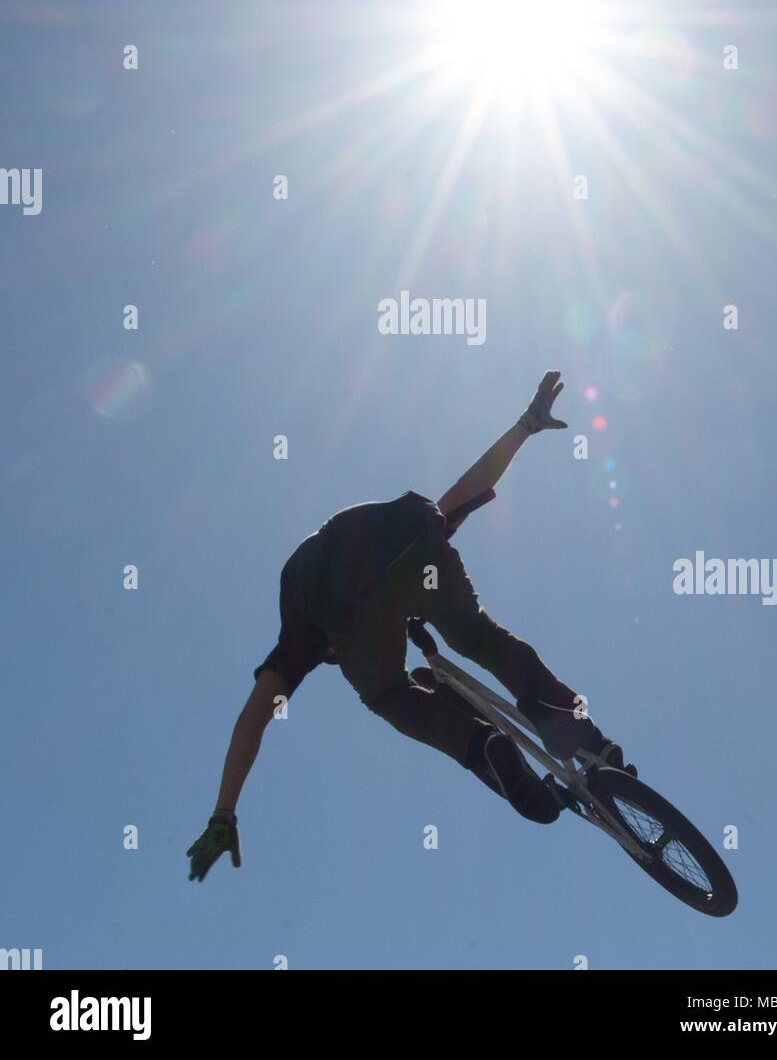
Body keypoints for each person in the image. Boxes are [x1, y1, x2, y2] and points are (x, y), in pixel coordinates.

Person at [187, 371, 634, 881]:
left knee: (389, 694)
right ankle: (580, 732)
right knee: (476, 636)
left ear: (331, 652)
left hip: (332, 591)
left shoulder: (301, 631)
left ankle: (481, 746)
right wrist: (526, 425)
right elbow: (468, 487)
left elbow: (253, 718)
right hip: (402, 534)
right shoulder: (381, 537)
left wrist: (224, 811)